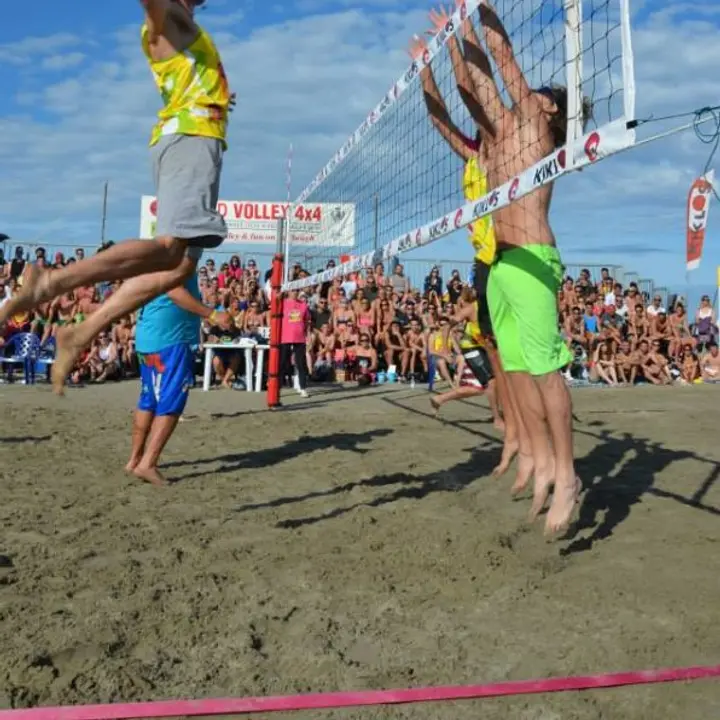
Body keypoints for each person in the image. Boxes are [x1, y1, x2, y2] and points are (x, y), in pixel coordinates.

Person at [0, 0, 233, 395]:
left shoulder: (186, 29)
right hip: (190, 140)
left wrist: (219, 96)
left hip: (196, 138)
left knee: (178, 267)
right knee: (168, 250)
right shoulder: (168, 18)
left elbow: (188, 72)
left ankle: (82, 331)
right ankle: (53, 281)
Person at [460, 1, 592, 534]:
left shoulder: (538, 130)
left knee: (544, 370)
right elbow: (477, 85)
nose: (530, 91)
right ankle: (538, 461)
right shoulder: (506, 138)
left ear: (554, 111)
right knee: (516, 372)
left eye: (542, 92)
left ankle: (568, 474)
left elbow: (501, 56)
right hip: (502, 260)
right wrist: (455, 34)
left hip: (534, 259)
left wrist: (481, 13)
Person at [410, 7, 526, 481]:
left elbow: (475, 88)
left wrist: (458, 37)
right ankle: (512, 431)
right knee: (497, 362)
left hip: (512, 254)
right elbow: (441, 116)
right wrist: (425, 68)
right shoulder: (474, 151)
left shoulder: (508, 147)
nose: (479, 117)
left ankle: (522, 431)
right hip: (483, 263)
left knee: (518, 360)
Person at [126, 274, 230, 486]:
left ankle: (135, 460)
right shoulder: (176, 253)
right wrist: (212, 314)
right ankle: (147, 463)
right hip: (170, 339)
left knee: (149, 400)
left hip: (149, 336)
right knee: (172, 402)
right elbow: (174, 291)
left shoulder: (157, 253)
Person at [281, 290, 311, 398]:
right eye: (292, 291)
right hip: (285, 337)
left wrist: (308, 336)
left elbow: (307, 322)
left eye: (296, 291)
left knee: (301, 364)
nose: (294, 293)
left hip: (299, 338)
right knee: (283, 362)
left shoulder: (303, 305)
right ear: (288, 292)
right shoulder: (282, 302)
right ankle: (277, 387)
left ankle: (303, 388)